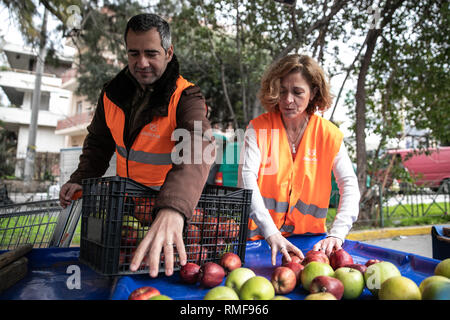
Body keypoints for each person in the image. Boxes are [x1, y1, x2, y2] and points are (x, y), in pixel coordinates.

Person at [59, 13, 214, 277]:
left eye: (151, 53)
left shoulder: (187, 96)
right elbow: (98, 142)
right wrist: (81, 177)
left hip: (167, 215)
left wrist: (174, 207)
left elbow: (198, 145)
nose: (141, 63)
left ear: (168, 52)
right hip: (126, 212)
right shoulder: (111, 94)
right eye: (134, 53)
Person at [238, 54, 360, 265]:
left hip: (310, 246)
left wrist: (337, 233)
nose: (287, 100)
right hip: (260, 244)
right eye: (282, 91)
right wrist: (271, 232)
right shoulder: (258, 129)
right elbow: (246, 179)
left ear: (313, 93)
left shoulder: (328, 135)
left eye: (297, 92)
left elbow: (349, 185)